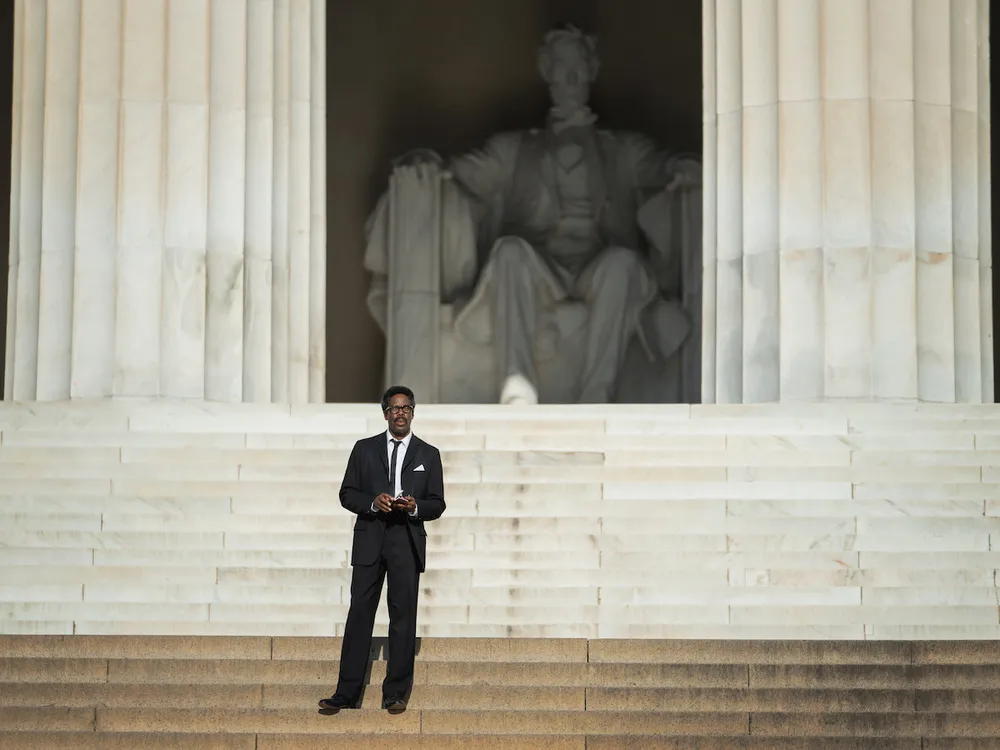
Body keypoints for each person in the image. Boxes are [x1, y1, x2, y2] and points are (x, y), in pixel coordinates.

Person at [319, 385, 446, 712]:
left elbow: (437, 503)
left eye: (406, 408)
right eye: (394, 408)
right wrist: (373, 503)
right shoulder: (364, 449)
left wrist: (415, 506)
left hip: (406, 540)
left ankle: (395, 694)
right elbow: (347, 494)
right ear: (385, 413)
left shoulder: (428, 454)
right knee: (359, 614)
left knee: (403, 618)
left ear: (412, 412)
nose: (400, 413)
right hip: (370, 539)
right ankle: (346, 693)